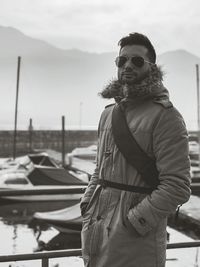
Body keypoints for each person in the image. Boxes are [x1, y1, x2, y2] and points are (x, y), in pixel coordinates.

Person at [80, 32, 191, 267]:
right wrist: (87, 203)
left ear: (151, 68)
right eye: (122, 60)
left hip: (135, 238)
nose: (128, 65)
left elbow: (177, 186)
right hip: (96, 231)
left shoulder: (166, 116)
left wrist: (133, 221)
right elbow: (100, 169)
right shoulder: (108, 113)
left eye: (137, 61)